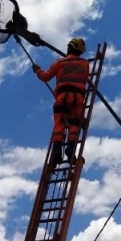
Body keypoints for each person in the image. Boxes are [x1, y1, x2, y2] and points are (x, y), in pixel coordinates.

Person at [33, 37, 90, 166]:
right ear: (81, 52)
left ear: (69, 48)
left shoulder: (59, 63)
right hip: (78, 98)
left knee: (59, 124)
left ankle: (57, 152)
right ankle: (71, 149)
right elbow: (85, 79)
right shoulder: (85, 64)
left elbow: (46, 77)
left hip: (62, 97)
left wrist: (37, 70)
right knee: (74, 123)